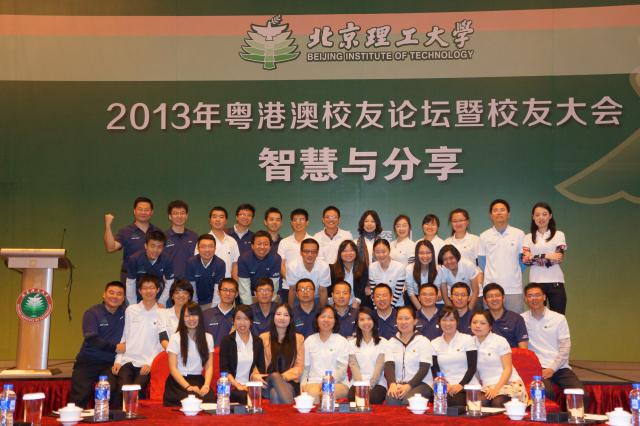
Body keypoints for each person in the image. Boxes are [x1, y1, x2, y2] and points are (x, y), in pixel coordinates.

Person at [521, 283, 587, 405]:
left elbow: (565, 347)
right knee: (546, 393)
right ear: (525, 299)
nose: (534, 299)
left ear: (544, 297)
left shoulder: (558, 318)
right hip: (537, 367)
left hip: (559, 367)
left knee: (581, 395)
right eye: (530, 296)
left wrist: (552, 368)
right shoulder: (521, 319)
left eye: (537, 295)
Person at [70, 281, 126, 409]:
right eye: (111, 292)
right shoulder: (92, 313)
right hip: (88, 361)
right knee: (79, 398)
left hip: (110, 364)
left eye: (119, 294)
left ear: (123, 298)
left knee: (112, 393)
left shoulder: (126, 313)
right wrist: (115, 348)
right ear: (104, 295)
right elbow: (91, 338)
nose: (115, 296)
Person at [113, 275, 168, 400]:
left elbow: (161, 343)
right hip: (128, 359)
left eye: (152, 288)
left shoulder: (163, 313)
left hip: (147, 363)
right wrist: (118, 360)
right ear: (139, 291)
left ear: (157, 290)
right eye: (145, 288)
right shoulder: (131, 310)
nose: (148, 291)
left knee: (137, 392)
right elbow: (125, 335)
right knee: (122, 390)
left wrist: (151, 363)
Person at [470, 310, 526, 408]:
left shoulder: (500, 341)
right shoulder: (469, 342)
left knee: (497, 403)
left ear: (490, 326)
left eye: (482, 323)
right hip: (487, 387)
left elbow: (508, 369)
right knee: (479, 404)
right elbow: (474, 371)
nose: (477, 326)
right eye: (474, 322)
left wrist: (496, 389)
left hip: (508, 384)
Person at [163, 302, 215, 406]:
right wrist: (188, 387)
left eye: (194, 315)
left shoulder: (208, 338)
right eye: (187, 316)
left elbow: (209, 366)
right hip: (179, 382)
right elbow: (173, 369)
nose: (191, 319)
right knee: (192, 400)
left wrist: (206, 385)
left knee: (210, 400)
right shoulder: (175, 338)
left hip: (199, 380)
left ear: (200, 317)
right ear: (182, 318)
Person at [479, 199, 525, 313]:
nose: (499, 213)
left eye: (502, 210)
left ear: (508, 214)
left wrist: (513, 272)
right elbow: (482, 262)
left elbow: (523, 261)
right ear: (491, 215)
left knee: (515, 320)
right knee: (491, 321)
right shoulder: (484, 236)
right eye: (495, 210)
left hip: (514, 288)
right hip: (491, 289)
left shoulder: (519, 234)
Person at [522, 202, 567, 314]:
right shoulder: (527, 237)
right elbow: (526, 261)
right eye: (537, 215)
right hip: (536, 283)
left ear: (550, 216)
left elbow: (557, 259)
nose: (541, 218)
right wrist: (546, 255)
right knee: (537, 316)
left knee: (558, 317)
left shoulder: (559, 235)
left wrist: (533, 257)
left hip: (556, 282)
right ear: (533, 217)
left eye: (544, 214)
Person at [384, 306, 434, 405]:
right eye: (400, 319)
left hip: (421, 383)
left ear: (415, 321)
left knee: (408, 401)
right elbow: (389, 365)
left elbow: (424, 368)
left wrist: (408, 386)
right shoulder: (391, 342)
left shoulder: (423, 341)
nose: (403, 322)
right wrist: (392, 384)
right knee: (391, 400)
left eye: (407, 318)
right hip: (398, 384)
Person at [431, 306, 478, 407]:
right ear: (439, 322)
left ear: (457, 322)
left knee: (455, 403)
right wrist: (445, 385)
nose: (448, 323)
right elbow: (435, 369)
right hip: (444, 385)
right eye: (444, 320)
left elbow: (472, 367)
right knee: (439, 402)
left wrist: (460, 385)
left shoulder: (467, 339)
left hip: (466, 385)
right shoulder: (434, 343)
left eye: (451, 320)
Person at [103, 196, 159, 283]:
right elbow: (111, 248)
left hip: (152, 277)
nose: (143, 212)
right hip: (130, 277)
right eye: (140, 209)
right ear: (134, 211)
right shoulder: (125, 232)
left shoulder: (157, 232)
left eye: (146, 210)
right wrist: (108, 224)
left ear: (151, 212)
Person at [301, 306, 349, 404]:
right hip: (313, 382)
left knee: (326, 392)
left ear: (335, 321)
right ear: (317, 319)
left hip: (338, 383)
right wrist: (303, 385)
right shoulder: (309, 340)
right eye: (323, 317)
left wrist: (326, 383)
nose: (326, 320)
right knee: (313, 394)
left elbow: (342, 369)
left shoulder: (341, 341)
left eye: (330, 317)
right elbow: (305, 368)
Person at [219, 305, 266, 404]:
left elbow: (261, 367)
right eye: (238, 318)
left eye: (246, 319)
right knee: (244, 396)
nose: (242, 322)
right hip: (233, 387)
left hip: (252, 385)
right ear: (233, 321)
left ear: (251, 321)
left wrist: (251, 384)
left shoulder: (258, 341)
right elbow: (224, 369)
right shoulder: (227, 341)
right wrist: (238, 385)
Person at [259, 303, 304, 404]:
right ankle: (291, 409)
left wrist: (282, 378)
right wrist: (255, 375)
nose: (282, 318)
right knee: (275, 376)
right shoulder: (263, 338)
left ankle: (283, 414)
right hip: (267, 382)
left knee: (275, 393)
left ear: (290, 319)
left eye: (286, 315)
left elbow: (299, 367)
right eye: (278, 314)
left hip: (290, 381)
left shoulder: (298, 339)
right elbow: (256, 363)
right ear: (273, 317)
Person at [348, 307, 387, 405]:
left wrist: (370, 386)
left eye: (369, 319)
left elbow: (379, 367)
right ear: (357, 323)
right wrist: (361, 386)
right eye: (362, 319)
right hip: (358, 382)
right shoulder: (351, 344)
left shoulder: (383, 342)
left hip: (378, 383)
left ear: (374, 321)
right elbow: (354, 367)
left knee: (373, 397)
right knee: (352, 397)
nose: (366, 322)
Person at [124, 230, 174, 306]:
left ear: (163, 248)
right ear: (146, 246)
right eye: (152, 246)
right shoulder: (134, 259)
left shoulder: (167, 260)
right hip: (138, 295)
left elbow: (170, 282)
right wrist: (132, 305)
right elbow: (130, 283)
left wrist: (161, 302)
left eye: (159, 247)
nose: (155, 250)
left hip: (158, 295)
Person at [237, 230, 281, 305]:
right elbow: (244, 287)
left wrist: (269, 306)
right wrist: (248, 307)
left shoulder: (276, 258)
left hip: (269, 294)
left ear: (270, 246)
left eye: (266, 244)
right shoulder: (244, 259)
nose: (262, 247)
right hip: (250, 294)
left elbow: (274, 285)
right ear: (252, 246)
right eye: (259, 244)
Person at [285, 238, 330, 306]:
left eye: (313, 252)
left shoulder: (324, 267)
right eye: (306, 251)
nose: (310, 255)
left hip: (316, 298)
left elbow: (323, 291)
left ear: (317, 253)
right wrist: (290, 310)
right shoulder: (292, 267)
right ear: (301, 252)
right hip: (299, 298)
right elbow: (293, 290)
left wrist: (323, 311)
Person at [483, 283, 529, 349]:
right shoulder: (480, 318)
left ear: (503, 298)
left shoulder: (516, 319)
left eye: (497, 295)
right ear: (485, 301)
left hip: (512, 354)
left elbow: (523, 349)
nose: (494, 299)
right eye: (490, 296)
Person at [185, 234, 225, 308]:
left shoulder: (220, 264)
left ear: (215, 248)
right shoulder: (191, 262)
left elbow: (218, 288)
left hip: (212, 302)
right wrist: (194, 306)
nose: (207, 250)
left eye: (210, 246)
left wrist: (213, 308)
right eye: (203, 246)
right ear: (198, 248)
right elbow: (191, 286)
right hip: (194, 301)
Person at [437, 244, 482, 310]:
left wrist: (468, 311)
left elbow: (476, 291)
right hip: (454, 298)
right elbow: (445, 296)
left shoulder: (468, 265)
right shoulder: (441, 269)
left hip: (473, 296)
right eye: (445, 259)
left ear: (457, 257)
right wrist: (451, 311)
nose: (449, 262)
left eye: (451, 258)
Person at [163, 200, 198, 279]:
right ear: (170, 216)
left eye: (182, 213)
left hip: (190, 280)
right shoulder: (163, 237)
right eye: (175, 213)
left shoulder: (194, 236)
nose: (179, 216)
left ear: (186, 216)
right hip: (169, 281)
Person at [330, 240, 369, 308]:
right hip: (338, 305)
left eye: (351, 250)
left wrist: (356, 303)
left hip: (359, 304)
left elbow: (362, 290)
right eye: (344, 251)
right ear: (340, 253)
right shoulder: (332, 269)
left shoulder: (363, 267)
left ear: (356, 252)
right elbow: (330, 291)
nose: (348, 253)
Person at [368, 239, 406, 307]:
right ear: (373, 253)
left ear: (389, 250)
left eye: (384, 251)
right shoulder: (372, 267)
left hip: (396, 306)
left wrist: (388, 309)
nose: (381, 255)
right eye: (377, 252)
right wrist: (377, 308)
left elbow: (398, 292)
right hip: (378, 307)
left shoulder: (399, 267)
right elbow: (373, 291)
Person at [207, 206, 240, 279]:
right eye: (214, 217)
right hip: (209, 281)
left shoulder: (232, 241)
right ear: (210, 220)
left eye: (221, 217)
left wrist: (235, 283)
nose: (218, 220)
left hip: (228, 282)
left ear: (226, 221)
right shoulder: (204, 240)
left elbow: (235, 264)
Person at [203, 278, 237, 347]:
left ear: (236, 294)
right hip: (211, 353)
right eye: (224, 290)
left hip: (233, 353)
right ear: (218, 292)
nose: (228, 293)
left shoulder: (239, 316)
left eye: (231, 291)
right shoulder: (206, 314)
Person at [406, 240, 439, 310]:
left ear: (432, 254)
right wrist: (421, 311)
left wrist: (428, 310)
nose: (425, 256)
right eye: (421, 253)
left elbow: (436, 292)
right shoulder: (409, 269)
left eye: (428, 253)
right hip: (413, 301)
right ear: (416, 254)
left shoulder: (438, 269)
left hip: (431, 301)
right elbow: (410, 293)